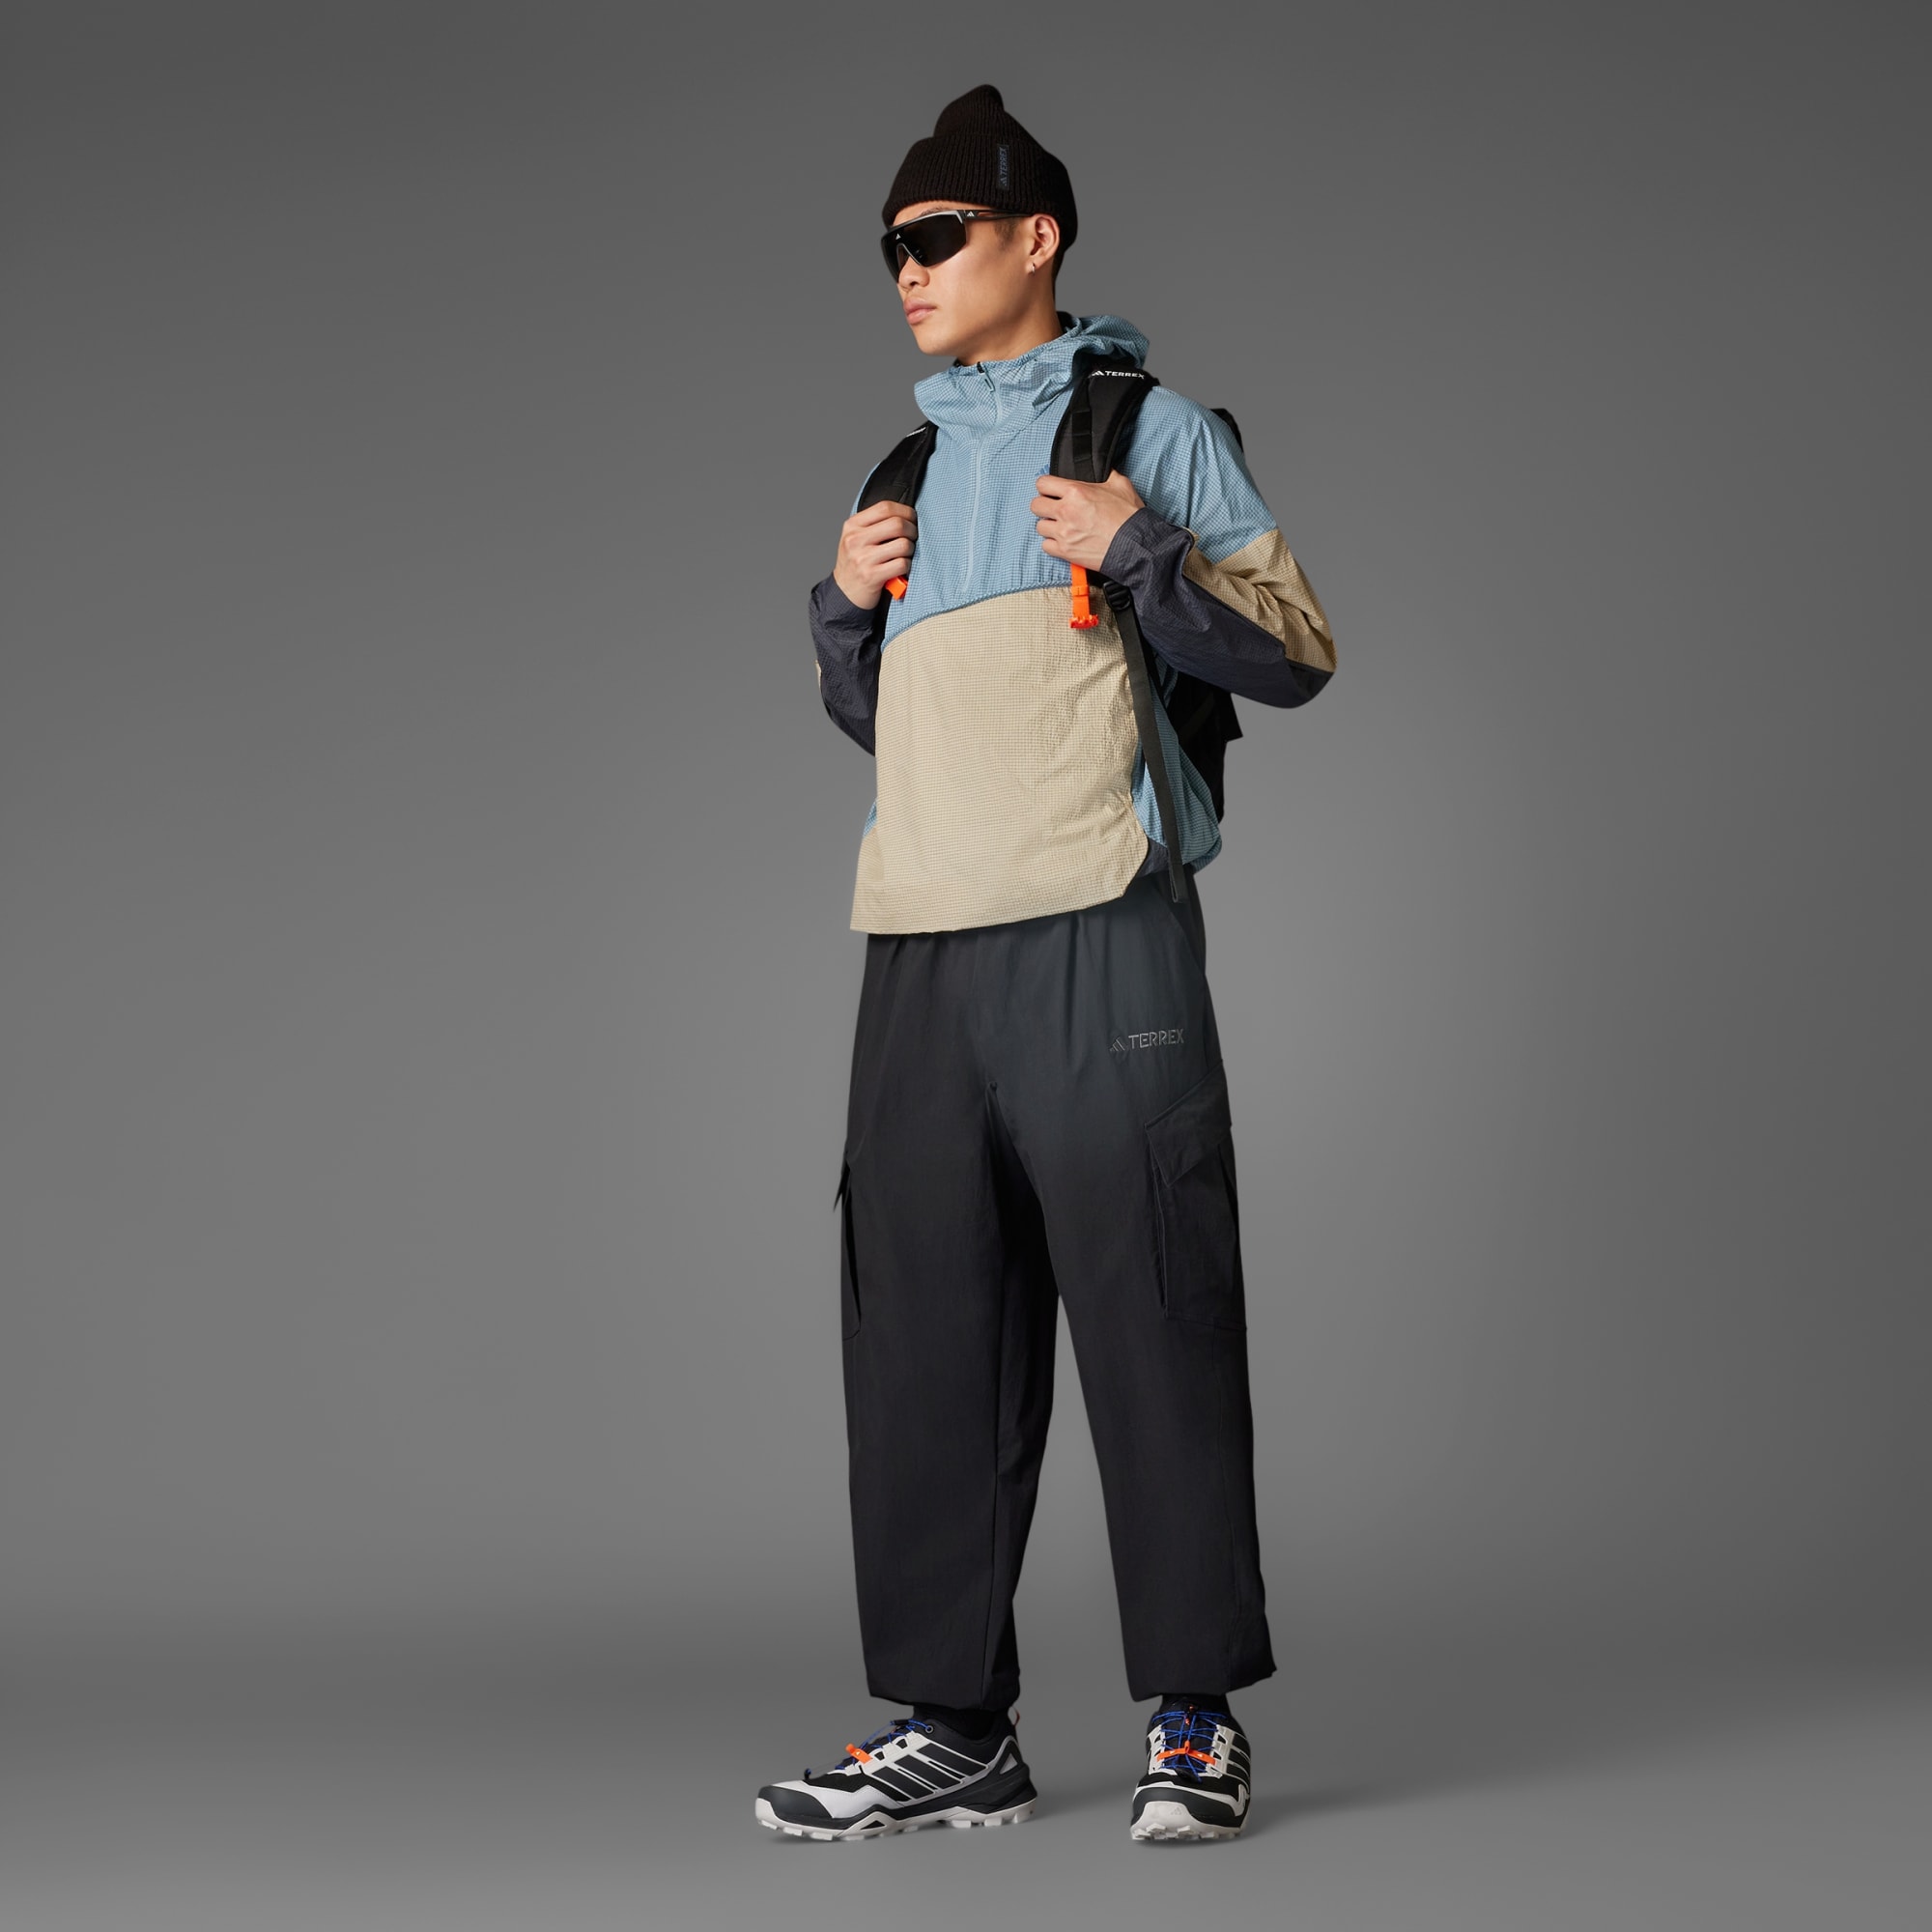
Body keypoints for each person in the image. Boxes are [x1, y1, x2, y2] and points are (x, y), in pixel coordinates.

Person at [754, 83, 1336, 1844]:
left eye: (937, 236)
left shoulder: (1148, 429)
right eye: (891, 246)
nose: (907, 268)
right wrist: (844, 613)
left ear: (1035, 237)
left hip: (1102, 925)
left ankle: (1195, 1720)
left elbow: (1297, 651)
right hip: (921, 945)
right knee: (921, 1338)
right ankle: (952, 1730)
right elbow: (903, 731)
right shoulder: (903, 475)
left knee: (1155, 1310)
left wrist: (1139, 548)